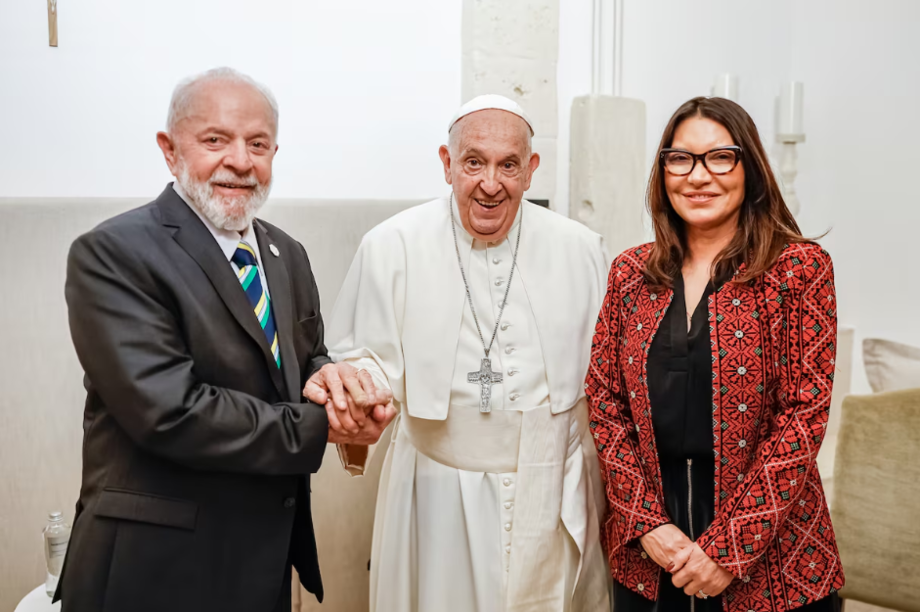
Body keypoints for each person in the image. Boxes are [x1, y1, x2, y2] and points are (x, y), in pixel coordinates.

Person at [57, 67, 394, 612]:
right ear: (170, 150)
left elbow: (304, 360)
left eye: (257, 144)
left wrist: (338, 386)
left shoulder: (287, 254)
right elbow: (171, 412)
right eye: (215, 140)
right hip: (156, 569)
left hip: (262, 563)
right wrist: (322, 423)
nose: (240, 161)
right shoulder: (114, 253)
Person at [312, 94, 611, 611]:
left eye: (508, 165)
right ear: (448, 164)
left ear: (531, 169)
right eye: (474, 162)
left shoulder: (581, 249)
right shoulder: (392, 245)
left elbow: (610, 378)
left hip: (553, 491)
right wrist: (360, 389)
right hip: (436, 493)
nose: (490, 184)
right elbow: (362, 357)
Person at [586, 96, 844, 611]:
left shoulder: (799, 269)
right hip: (648, 561)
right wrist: (647, 525)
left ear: (750, 167)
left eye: (720, 157)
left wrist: (730, 550)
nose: (698, 176)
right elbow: (604, 401)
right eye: (680, 159)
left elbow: (804, 415)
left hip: (775, 564)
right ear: (663, 173)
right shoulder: (629, 274)